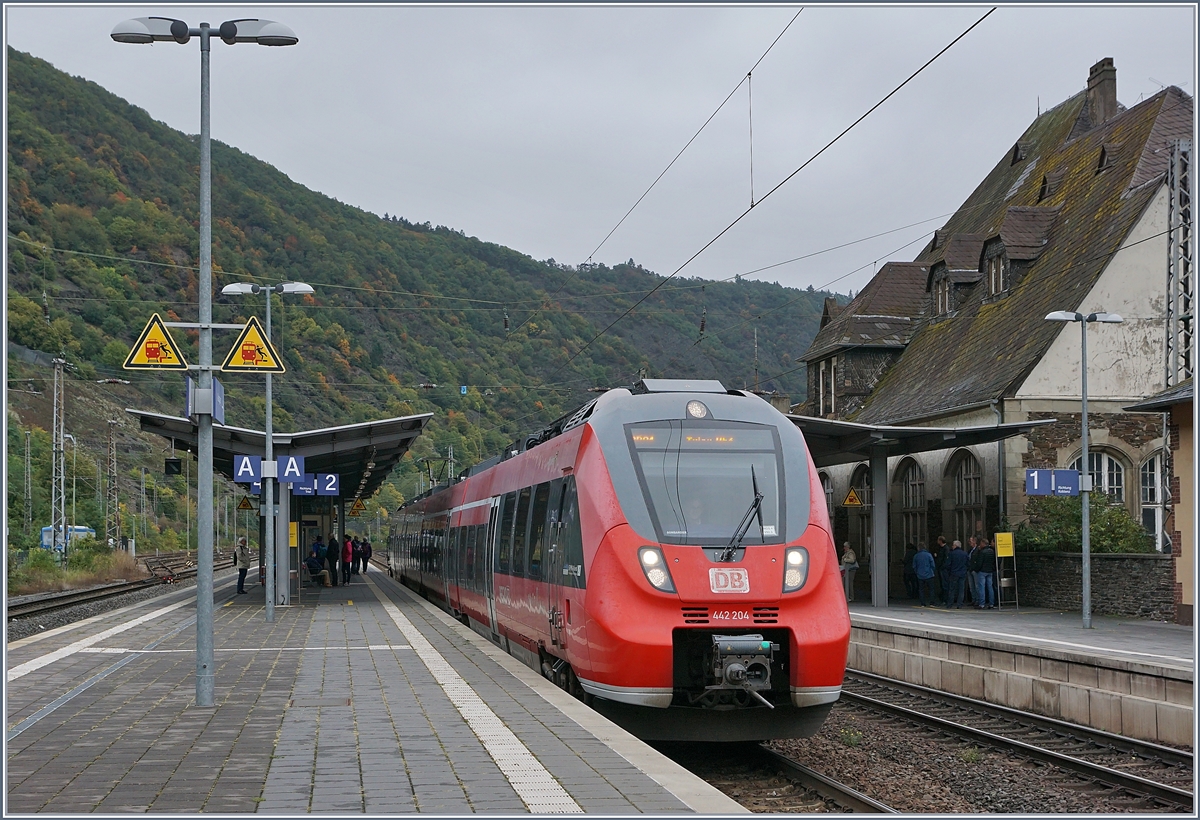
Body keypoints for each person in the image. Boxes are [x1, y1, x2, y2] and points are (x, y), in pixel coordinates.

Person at [947, 540, 969, 608]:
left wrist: (949, 571)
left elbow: (948, 564)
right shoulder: (965, 554)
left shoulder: (951, 553)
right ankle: (959, 604)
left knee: (952, 589)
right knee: (961, 589)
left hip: (954, 573)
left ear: (955, 546)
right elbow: (968, 564)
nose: (952, 546)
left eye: (953, 545)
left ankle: (950, 604)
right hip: (962, 573)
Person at [977, 537, 997, 609]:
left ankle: (982, 604)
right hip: (990, 571)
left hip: (982, 571)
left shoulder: (982, 552)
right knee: (990, 587)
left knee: (981, 587)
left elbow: (979, 563)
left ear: (983, 543)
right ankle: (991, 603)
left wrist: (977, 569)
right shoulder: (992, 551)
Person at [934, 536, 951, 606]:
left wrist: (942, 567)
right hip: (940, 568)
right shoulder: (941, 548)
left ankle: (945, 599)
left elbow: (946, 559)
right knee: (942, 584)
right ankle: (943, 599)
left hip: (943, 569)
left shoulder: (946, 549)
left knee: (945, 584)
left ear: (941, 541)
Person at [965, 537, 979, 606]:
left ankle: (977, 600)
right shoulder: (970, 550)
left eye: (970, 541)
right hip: (970, 569)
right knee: (971, 586)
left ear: (974, 541)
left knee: (976, 586)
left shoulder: (978, 550)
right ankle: (973, 599)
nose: (969, 542)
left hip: (974, 570)